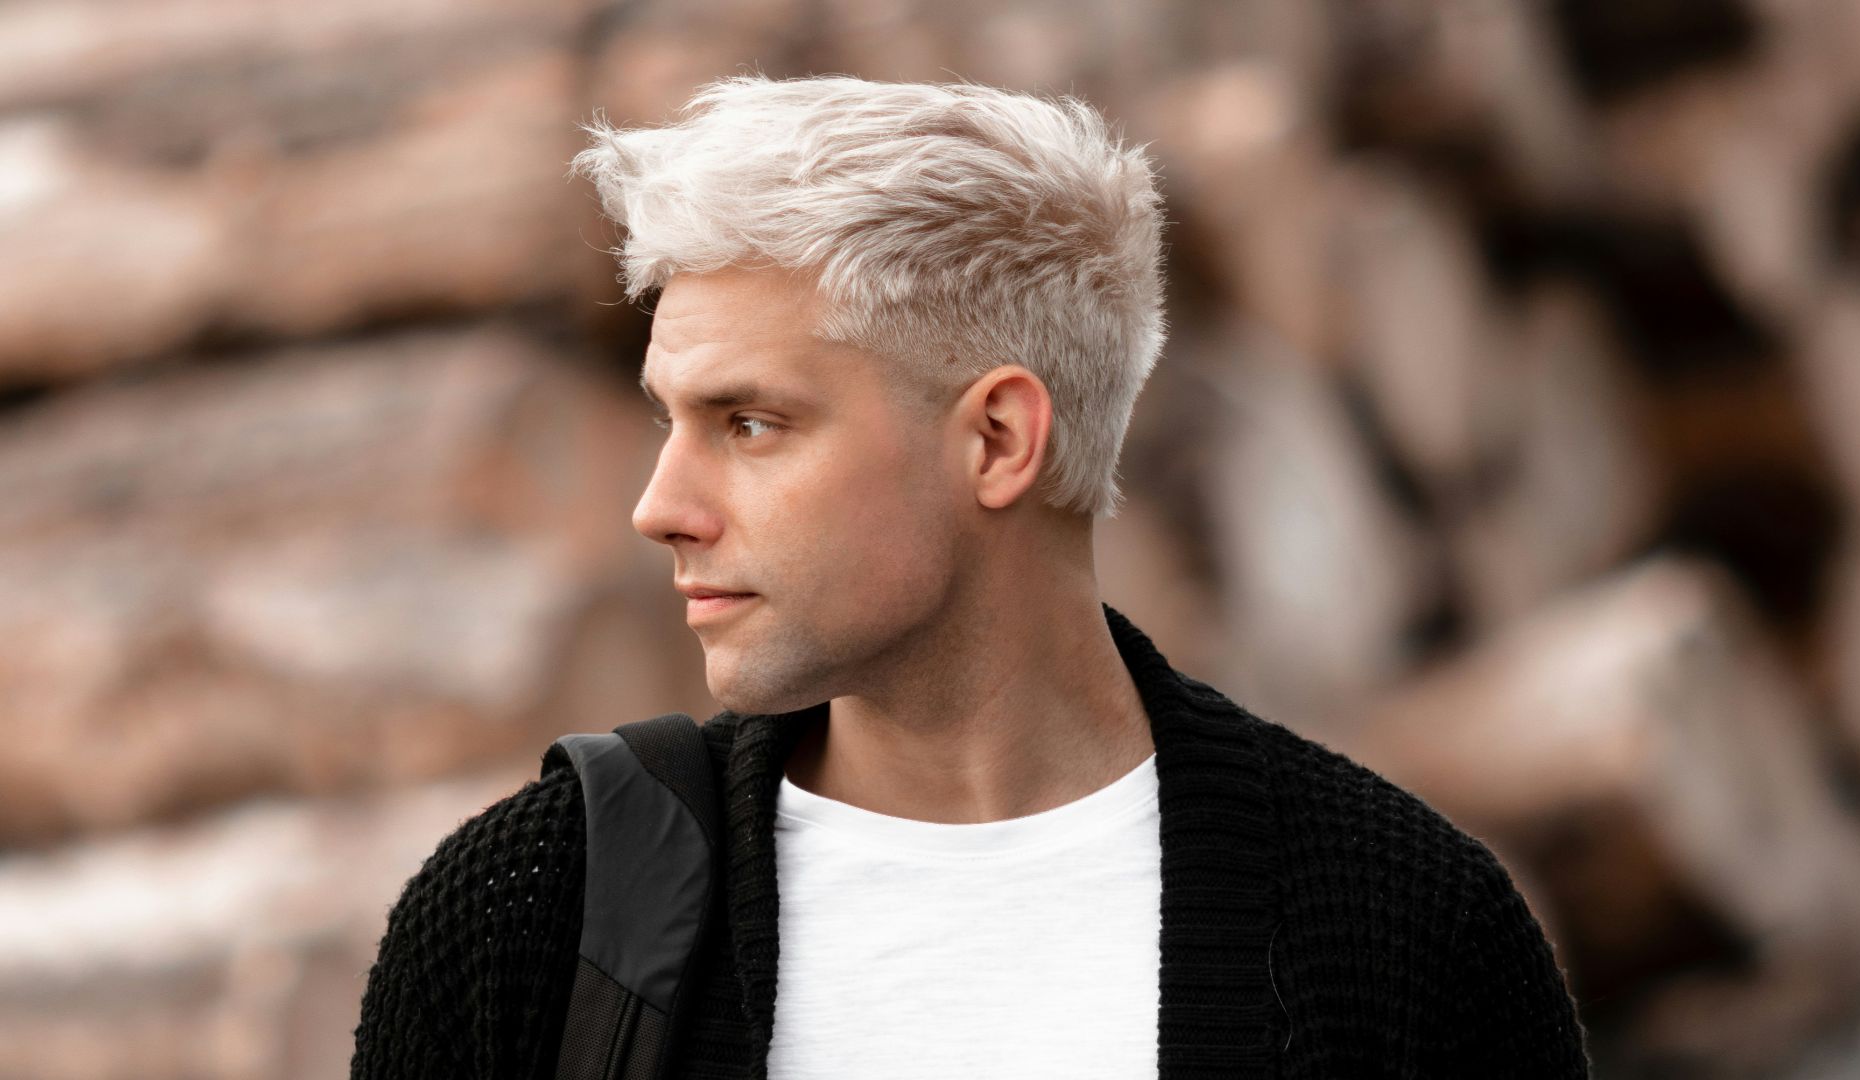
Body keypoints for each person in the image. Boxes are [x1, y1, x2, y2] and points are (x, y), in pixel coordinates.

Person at [349, 74, 1591, 1079]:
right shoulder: (529, 920)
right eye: (667, 420)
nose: (658, 508)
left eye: (748, 424)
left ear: (997, 440)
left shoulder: (1403, 933)